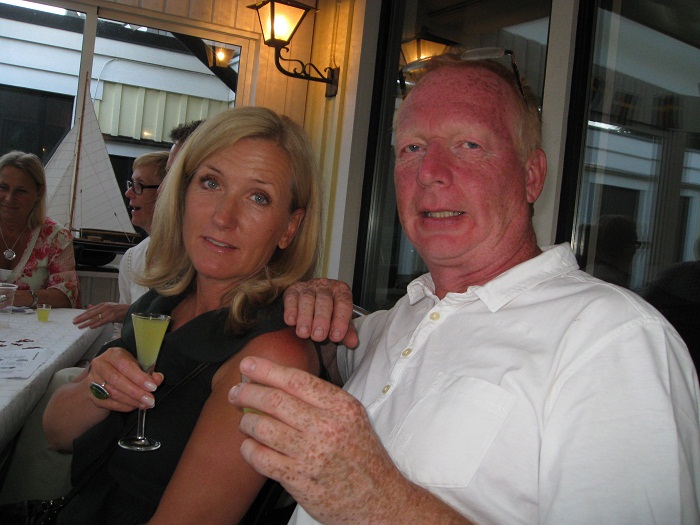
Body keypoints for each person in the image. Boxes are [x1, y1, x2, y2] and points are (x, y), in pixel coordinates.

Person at [229, 54, 700, 524]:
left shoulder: (614, 339)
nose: (430, 170)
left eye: (469, 144)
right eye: (412, 148)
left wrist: (378, 503)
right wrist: (315, 302)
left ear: (531, 176)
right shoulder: (401, 320)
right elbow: (334, 351)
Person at [42, 106, 322, 524]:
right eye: (211, 183)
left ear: (289, 228)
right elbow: (56, 432)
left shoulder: (272, 357)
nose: (223, 217)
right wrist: (99, 387)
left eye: (258, 197)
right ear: (183, 193)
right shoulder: (161, 303)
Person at [74, 120, 203, 330]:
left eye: (139, 185)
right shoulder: (132, 258)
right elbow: (122, 334)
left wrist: (128, 312)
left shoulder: (201, 257)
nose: (128, 193)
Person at [0, 150, 79, 308]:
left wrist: (25, 297)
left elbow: (67, 295)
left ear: (39, 192)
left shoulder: (56, 237)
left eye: (21, 191)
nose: (9, 198)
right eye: (3, 187)